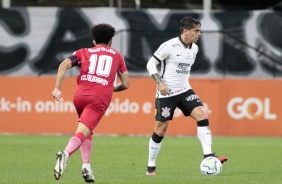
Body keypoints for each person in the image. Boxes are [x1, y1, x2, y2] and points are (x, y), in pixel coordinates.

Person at [145, 16, 227, 175]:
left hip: (184, 90)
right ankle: (151, 166)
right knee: (161, 130)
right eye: (196, 31)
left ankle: (209, 156)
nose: (199, 34)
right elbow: (150, 64)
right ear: (185, 31)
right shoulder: (169, 46)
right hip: (166, 93)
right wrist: (159, 82)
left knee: (202, 115)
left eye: (200, 31)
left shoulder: (194, 48)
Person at [52, 23, 129, 182]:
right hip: (98, 98)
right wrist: (109, 88)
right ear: (110, 42)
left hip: (79, 95)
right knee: (82, 132)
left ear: (94, 41)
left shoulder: (83, 52)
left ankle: (86, 166)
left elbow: (63, 65)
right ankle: (65, 155)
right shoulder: (117, 56)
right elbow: (126, 84)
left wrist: (58, 88)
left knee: (87, 130)